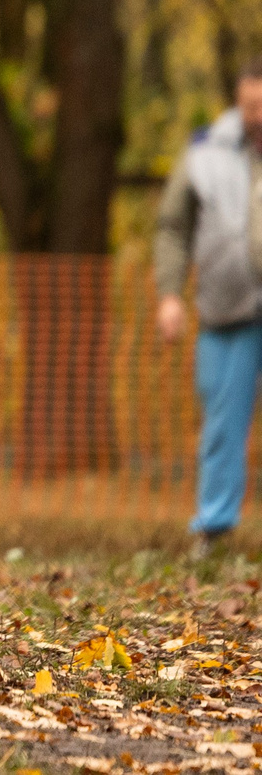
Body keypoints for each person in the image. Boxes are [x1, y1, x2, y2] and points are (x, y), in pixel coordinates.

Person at [153, 61, 262, 556]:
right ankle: (214, 531)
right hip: (225, 307)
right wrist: (171, 293)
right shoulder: (205, 153)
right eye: (248, 107)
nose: (255, 116)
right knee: (220, 416)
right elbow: (173, 226)